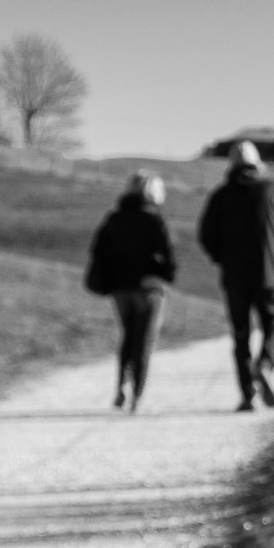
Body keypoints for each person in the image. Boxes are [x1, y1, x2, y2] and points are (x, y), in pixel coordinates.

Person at [197, 140, 274, 411]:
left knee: (241, 335)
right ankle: (264, 365)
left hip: (234, 277)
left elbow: (206, 235)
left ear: (231, 165)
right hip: (269, 274)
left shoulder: (221, 195)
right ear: (257, 163)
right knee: (273, 325)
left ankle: (248, 395)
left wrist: (221, 259)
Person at [83, 171, 178, 413]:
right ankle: (137, 394)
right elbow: (170, 258)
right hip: (149, 289)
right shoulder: (155, 219)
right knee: (144, 340)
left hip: (120, 288)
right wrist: (161, 275)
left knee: (127, 335)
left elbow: (98, 251)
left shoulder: (114, 218)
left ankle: (121, 385)